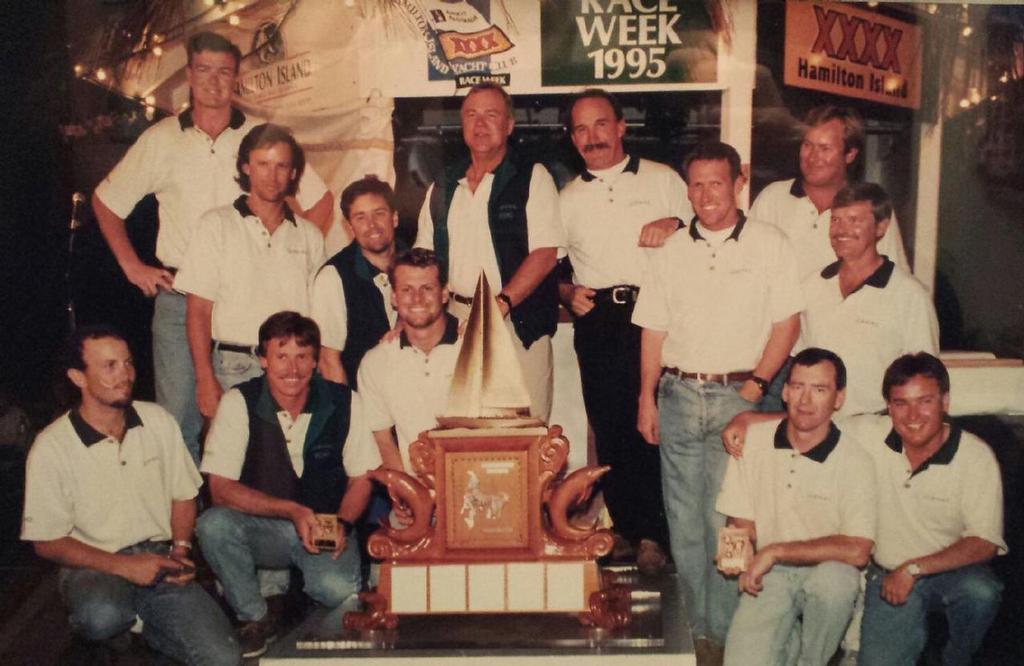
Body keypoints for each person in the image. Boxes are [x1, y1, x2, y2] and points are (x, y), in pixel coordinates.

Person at [92, 31, 331, 462]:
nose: (214, 82)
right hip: (183, 297)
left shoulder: (261, 137)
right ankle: (186, 527)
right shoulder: (161, 139)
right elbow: (106, 202)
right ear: (189, 75)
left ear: (237, 78)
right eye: (204, 70)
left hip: (247, 305)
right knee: (180, 420)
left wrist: (276, 256)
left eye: (225, 72)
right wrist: (133, 266)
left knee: (253, 426)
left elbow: (321, 202)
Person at [632, 141, 804, 665]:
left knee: (730, 522)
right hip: (679, 395)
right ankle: (696, 635)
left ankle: (734, 638)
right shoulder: (672, 250)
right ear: (688, 189)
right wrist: (646, 396)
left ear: (738, 183)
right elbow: (653, 328)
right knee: (683, 523)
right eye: (698, 184)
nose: (707, 194)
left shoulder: (771, 244)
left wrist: (755, 387)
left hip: (740, 397)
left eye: (717, 182)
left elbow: (787, 323)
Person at [21, 325, 239, 665]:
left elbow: (183, 495)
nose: (125, 375)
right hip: (92, 563)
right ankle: (120, 634)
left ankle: (149, 628)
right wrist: (125, 566)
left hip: (158, 556)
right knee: (101, 616)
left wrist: (180, 550)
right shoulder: (51, 446)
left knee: (223, 657)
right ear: (78, 377)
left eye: (128, 363)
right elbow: (46, 542)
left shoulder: (157, 421)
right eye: (109, 366)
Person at [196, 312, 381, 658]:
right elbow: (220, 489)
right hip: (265, 527)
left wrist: (342, 522)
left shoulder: (344, 401)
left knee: (339, 593)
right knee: (213, 525)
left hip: (324, 524)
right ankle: (254, 616)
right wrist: (291, 511)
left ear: (315, 361)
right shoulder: (239, 402)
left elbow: (362, 477)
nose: (292, 369)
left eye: (302, 356)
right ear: (262, 359)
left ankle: (308, 596)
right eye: (281, 356)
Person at [557, 88, 687, 574]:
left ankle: (659, 533)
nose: (592, 137)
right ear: (573, 138)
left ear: (620, 127)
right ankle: (630, 532)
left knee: (655, 425)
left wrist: (675, 219)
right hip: (600, 320)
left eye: (600, 125)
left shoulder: (663, 179)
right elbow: (548, 265)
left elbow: (702, 229)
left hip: (657, 315)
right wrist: (565, 294)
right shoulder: (567, 198)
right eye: (581, 129)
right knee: (611, 427)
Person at [415, 82, 565, 422]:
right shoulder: (443, 183)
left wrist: (501, 303)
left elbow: (545, 253)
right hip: (455, 322)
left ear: (509, 125)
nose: (480, 124)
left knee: (526, 432)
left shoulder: (532, 177)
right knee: (461, 431)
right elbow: (422, 257)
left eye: (491, 114)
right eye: (471, 115)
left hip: (514, 322)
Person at [716, 348, 875, 666]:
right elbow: (741, 519)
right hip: (771, 574)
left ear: (839, 398)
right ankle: (785, 642)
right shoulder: (754, 441)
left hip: (826, 571)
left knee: (835, 584)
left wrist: (774, 552)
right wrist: (738, 556)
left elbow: (858, 550)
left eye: (820, 390)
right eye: (798, 387)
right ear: (785, 392)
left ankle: (813, 659)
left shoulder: (856, 460)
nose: (806, 400)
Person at [847, 353, 1005, 666]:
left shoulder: (975, 456)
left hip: (951, 572)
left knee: (982, 592)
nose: (912, 414)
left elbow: (984, 542)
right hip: (889, 575)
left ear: (945, 401)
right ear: (888, 407)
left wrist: (914, 569)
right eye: (901, 403)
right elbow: (810, 422)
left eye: (925, 401)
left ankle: (956, 658)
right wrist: (746, 421)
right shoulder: (868, 433)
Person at [174, 123, 326, 420]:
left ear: (293, 173)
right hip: (233, 367)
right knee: (236, 463)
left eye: (282, 166)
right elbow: (198, 310)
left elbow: (319, 314)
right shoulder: (215, 225)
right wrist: (205, 379)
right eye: (263, 164)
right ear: (246, 167)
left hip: (293, 370)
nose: (272, 175)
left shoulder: (309, 236)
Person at [799, 182, 938, 416]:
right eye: (836, 220)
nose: (841, 230)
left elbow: (926, 379)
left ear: (881, 227)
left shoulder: (909, 295)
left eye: (854, 220)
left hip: (880, 428)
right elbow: (799, 363)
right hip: (819, 428)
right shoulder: (812, 286)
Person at [749, 105, 908, 280]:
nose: (812, 157)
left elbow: (895, 281)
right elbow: (748, 272)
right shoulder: (773, 199)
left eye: (825, 149)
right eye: (808, 145)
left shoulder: (871, 206)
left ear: (850, 155)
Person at [358, 248, 460, 473]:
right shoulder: (376, 362)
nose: (417, 299)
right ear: (394, 297)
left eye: (427, 288)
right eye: (406, 290)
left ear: (444, 293)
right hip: (415, 493)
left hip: (476, 487)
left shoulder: (477, 349)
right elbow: (383, 440)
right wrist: (408, 494)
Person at [312, 176, 400, 388]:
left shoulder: (415, 266)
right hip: (361, 402)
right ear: (350, 227)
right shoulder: (333, 278)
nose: (372, 225)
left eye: (379, 214)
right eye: (360, 218)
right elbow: (329, 361)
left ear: (394, 218)